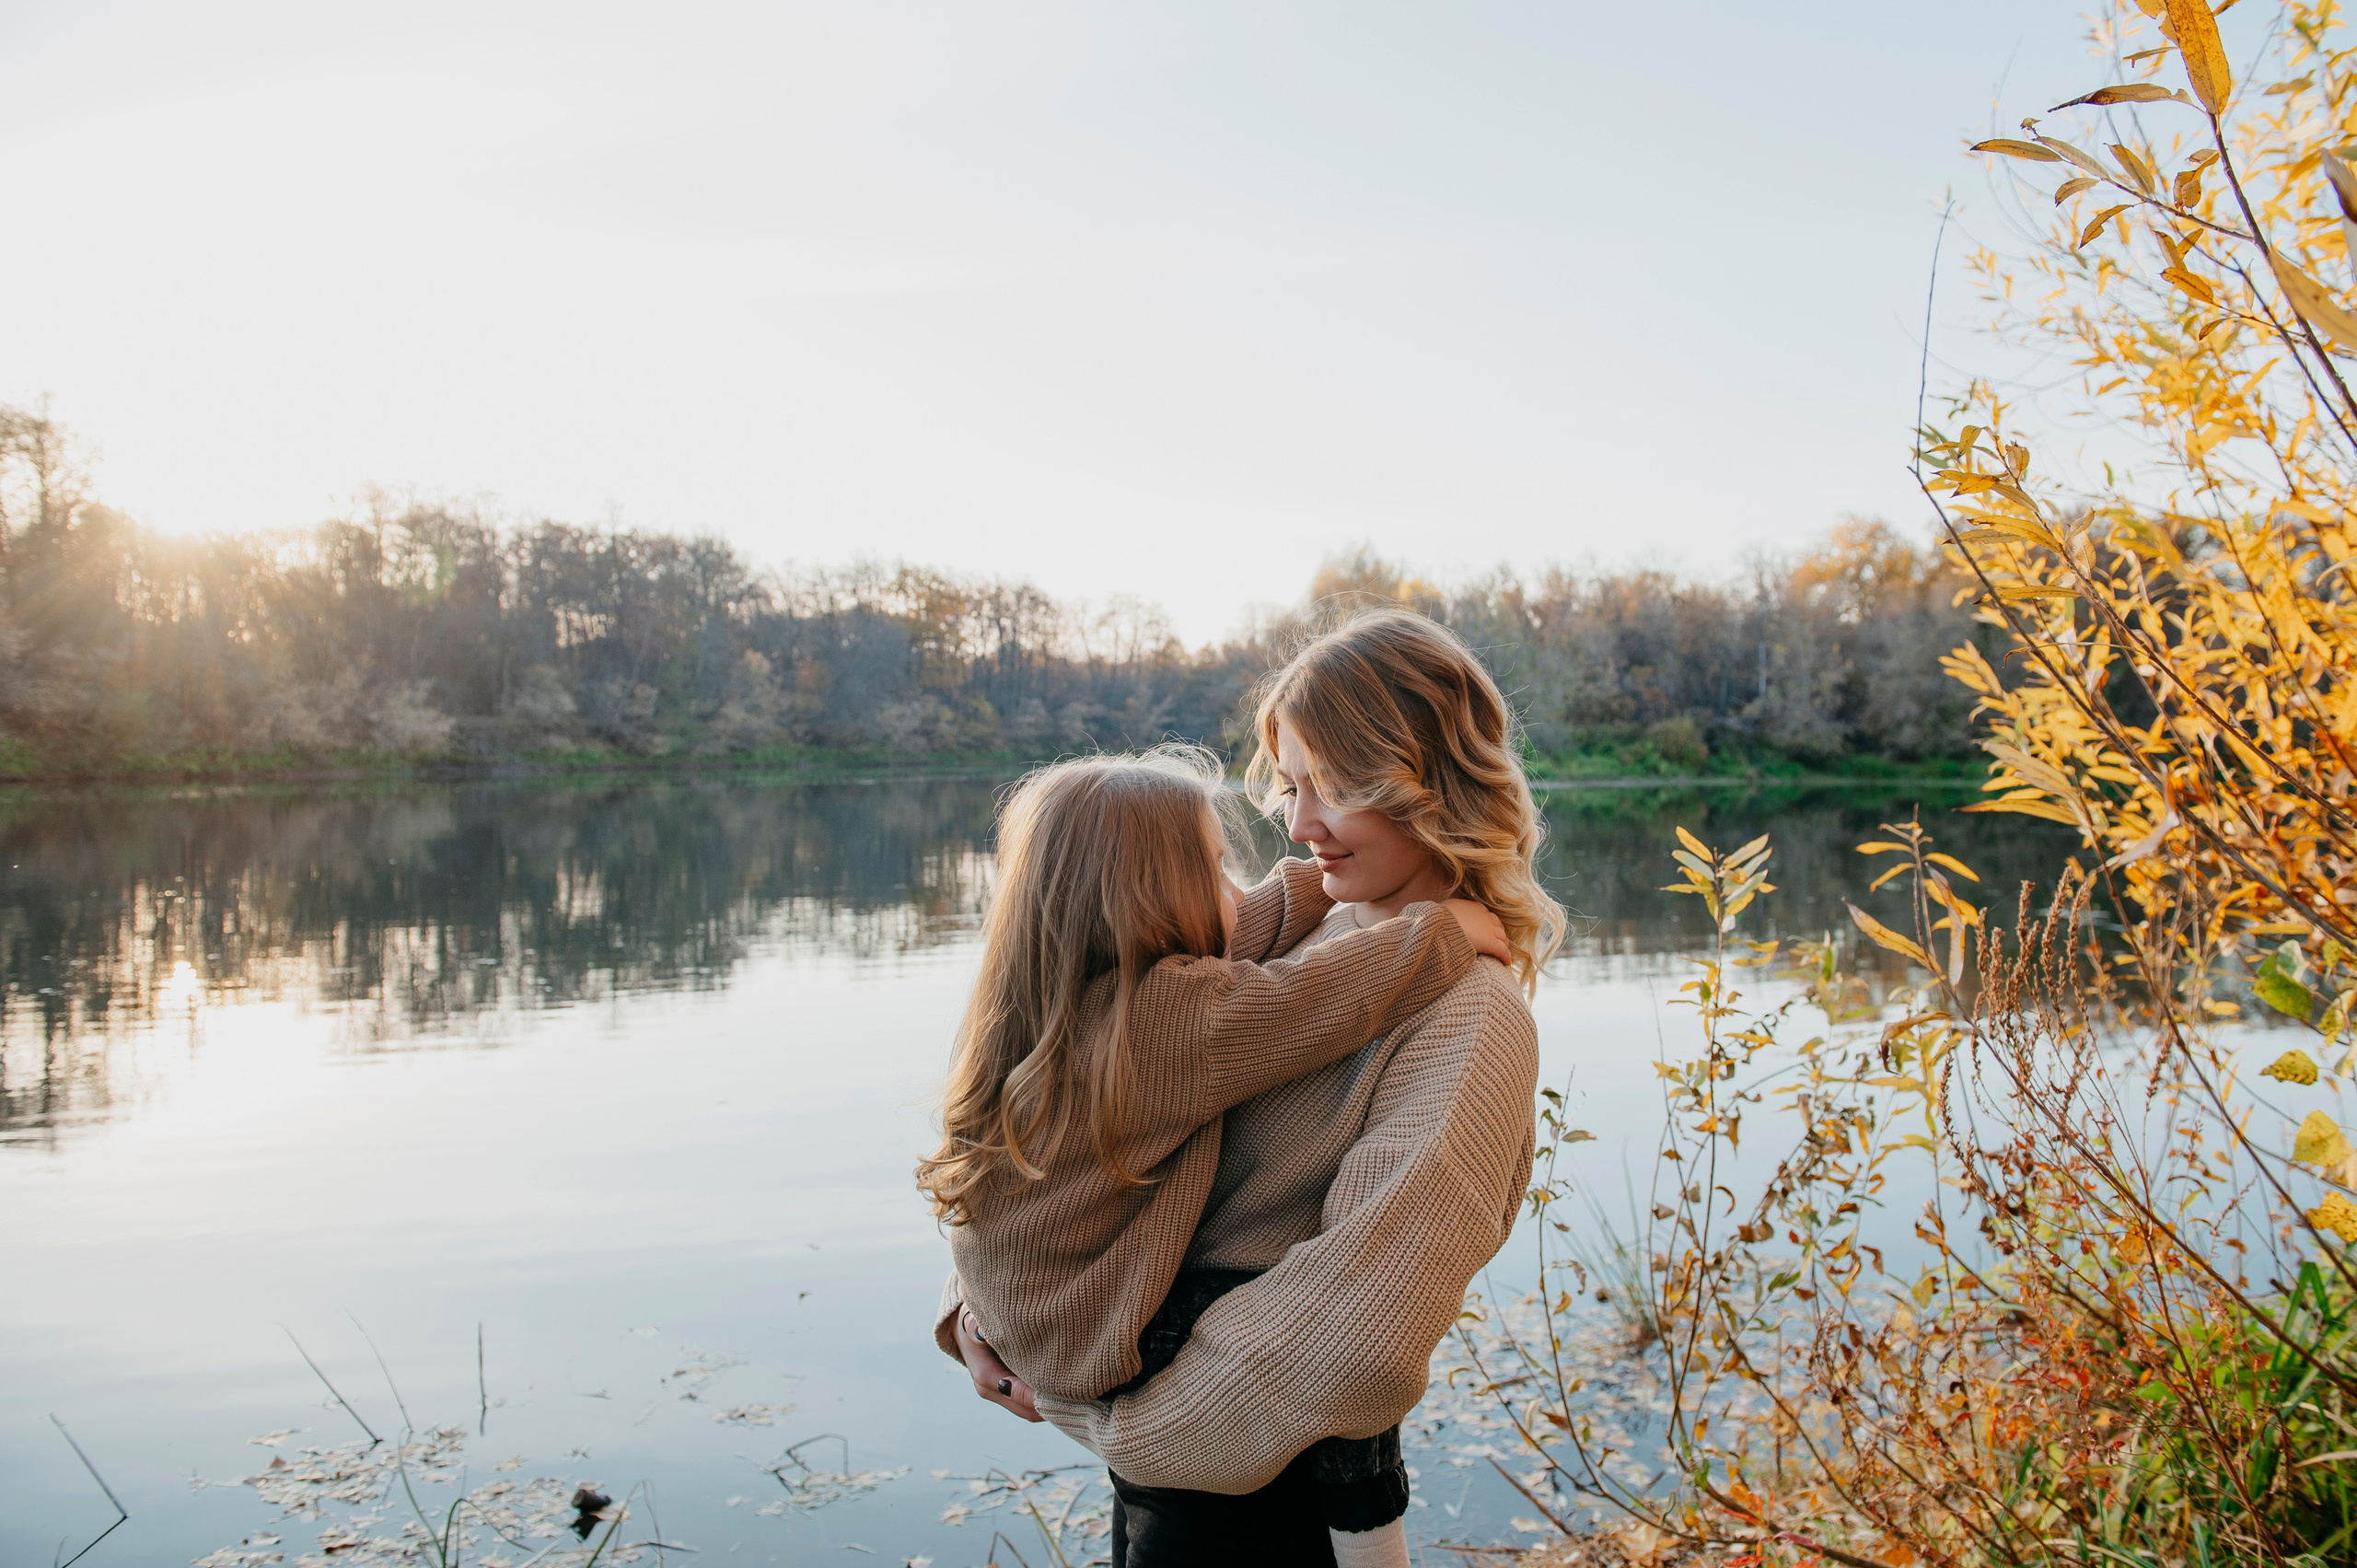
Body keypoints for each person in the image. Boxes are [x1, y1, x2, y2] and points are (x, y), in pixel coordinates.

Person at [941, 610, 1564, 1567]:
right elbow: (1078, 1118)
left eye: (1338, 786)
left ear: (1430, 784)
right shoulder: (1291, 939)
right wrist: (988, 1304)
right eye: (1289, 782)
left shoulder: (1468, 1016)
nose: (1299, 820)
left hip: (1248, 1497)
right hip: (1171, 1477)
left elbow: (1361, 1324)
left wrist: (1124, 1429)